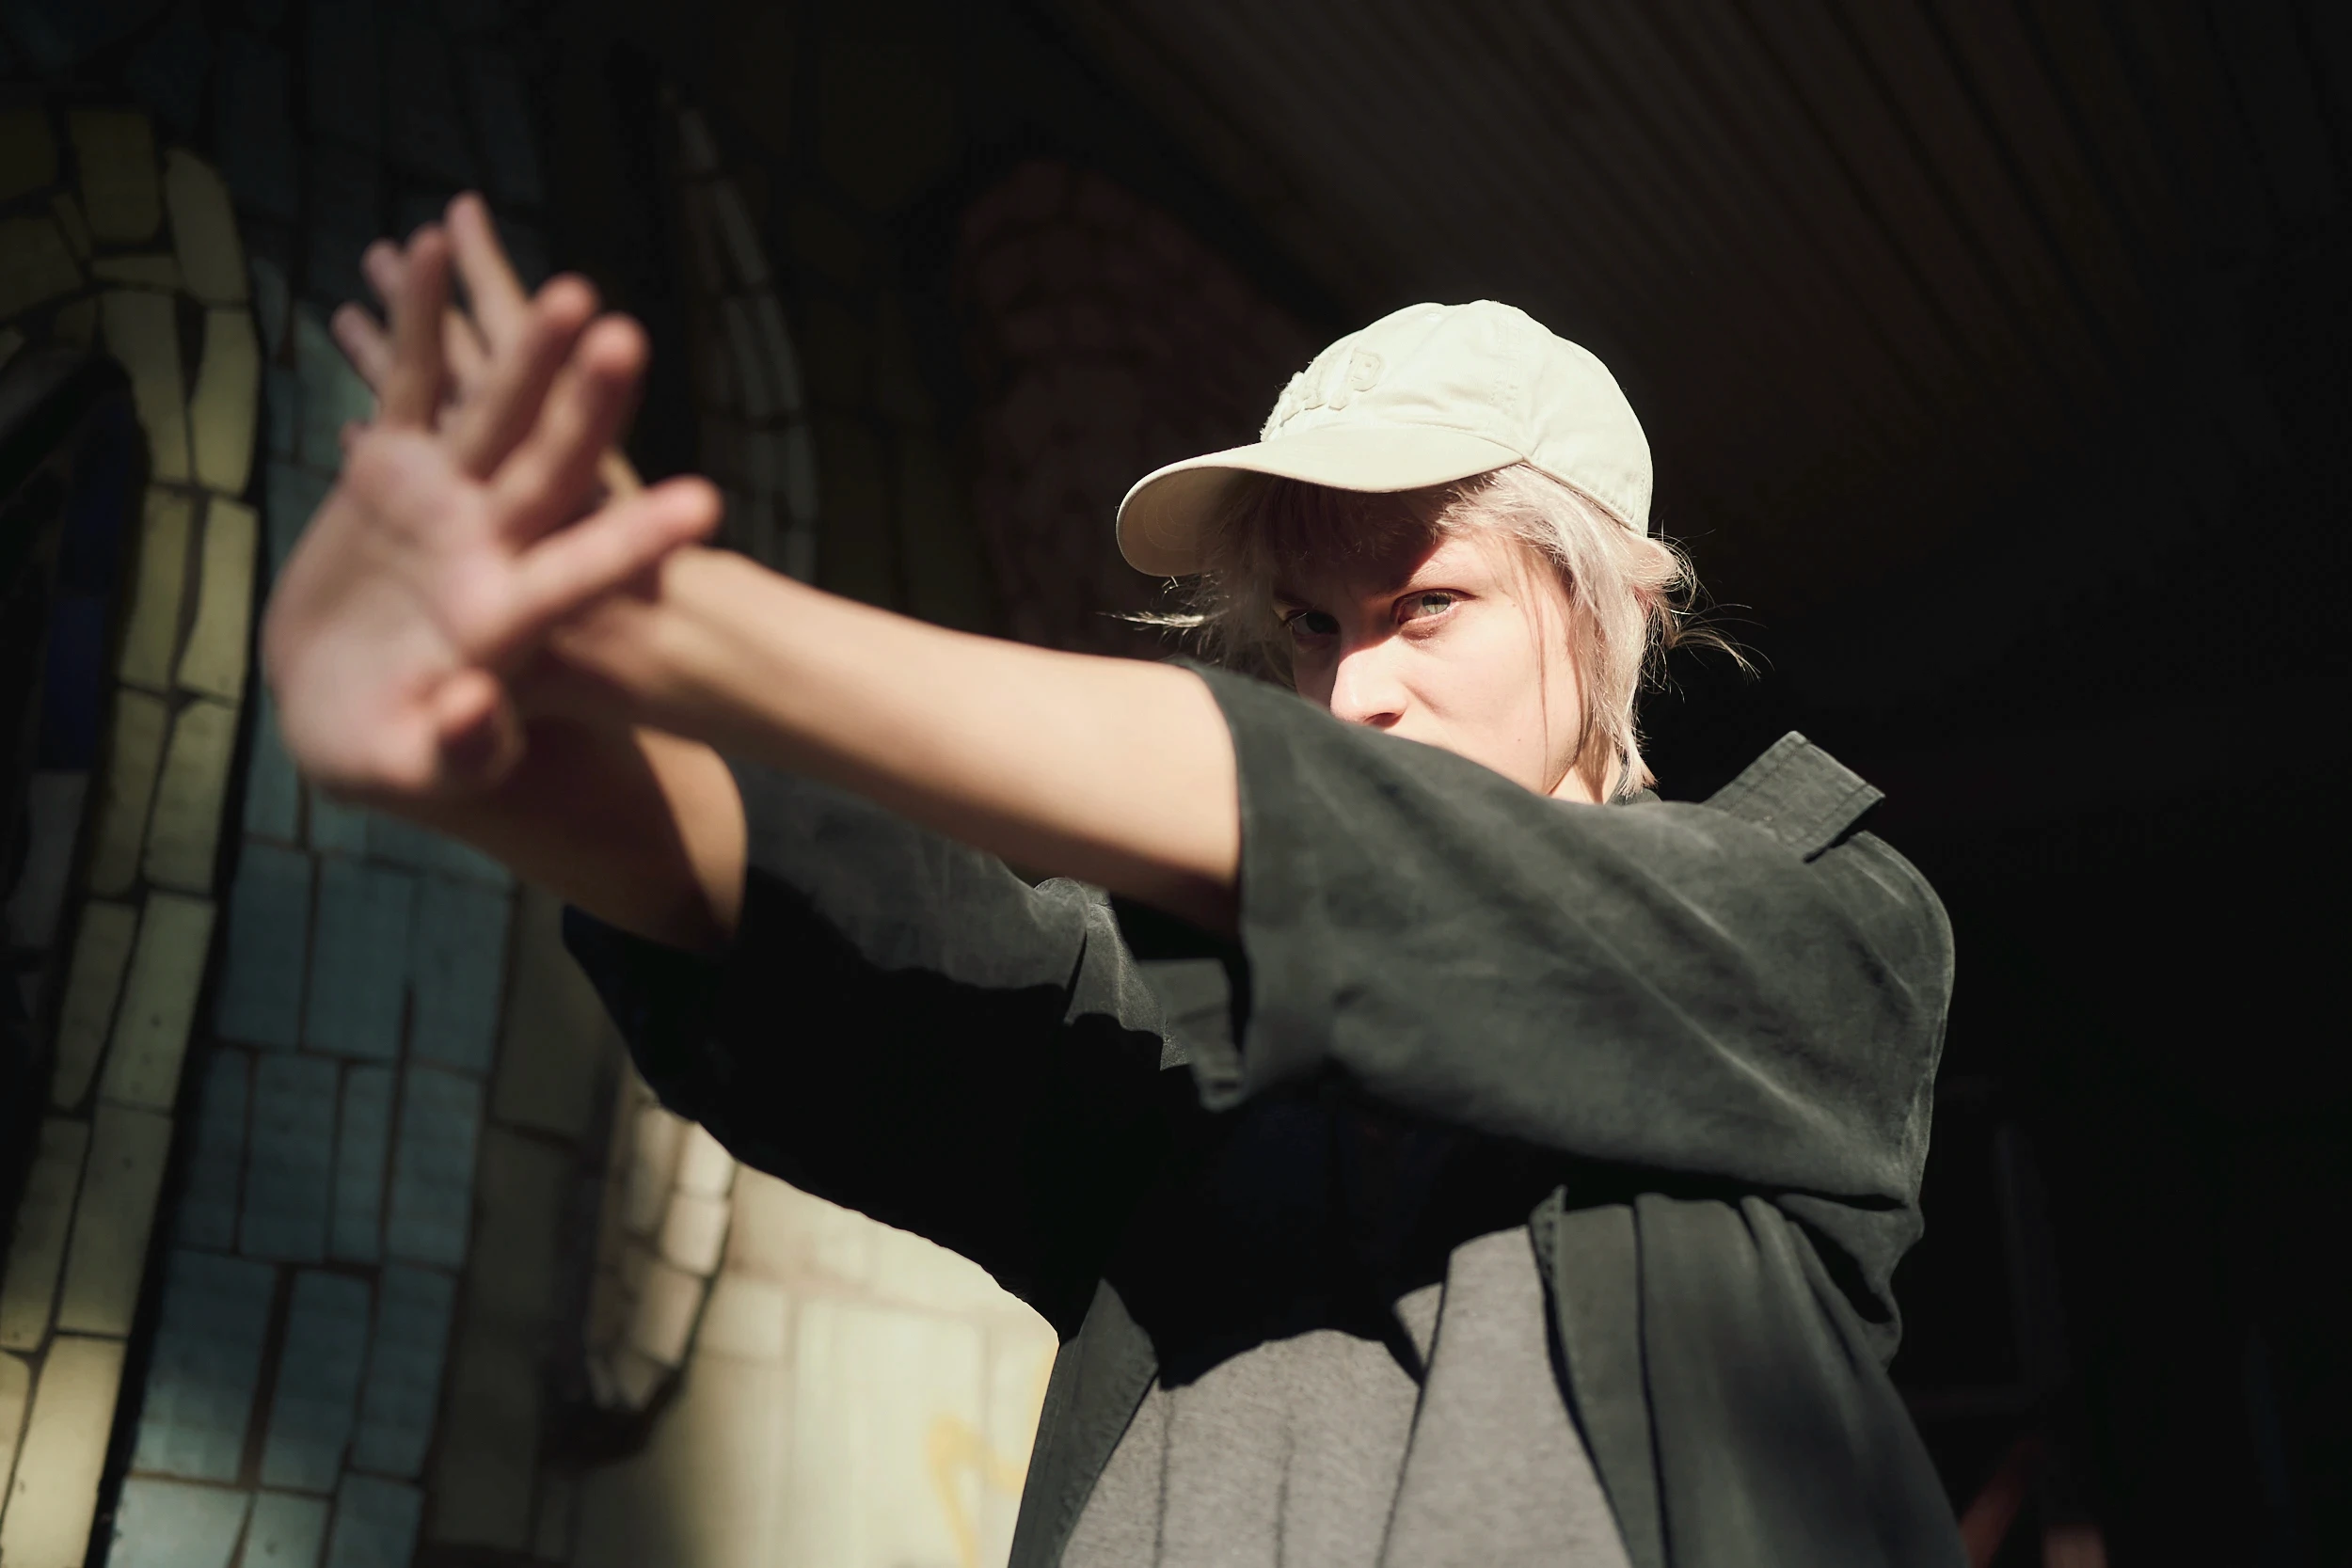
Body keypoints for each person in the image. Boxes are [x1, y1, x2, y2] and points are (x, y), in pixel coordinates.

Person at [278, 197, 1963, 1568]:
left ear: (1615, 611)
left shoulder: (1824, 937)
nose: (1355, 690)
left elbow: (1352, 845)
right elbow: (888, 958)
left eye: (1427, 605)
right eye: (1311, 625)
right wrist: (508, 757)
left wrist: (666, 617)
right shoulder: (1203, 1053)